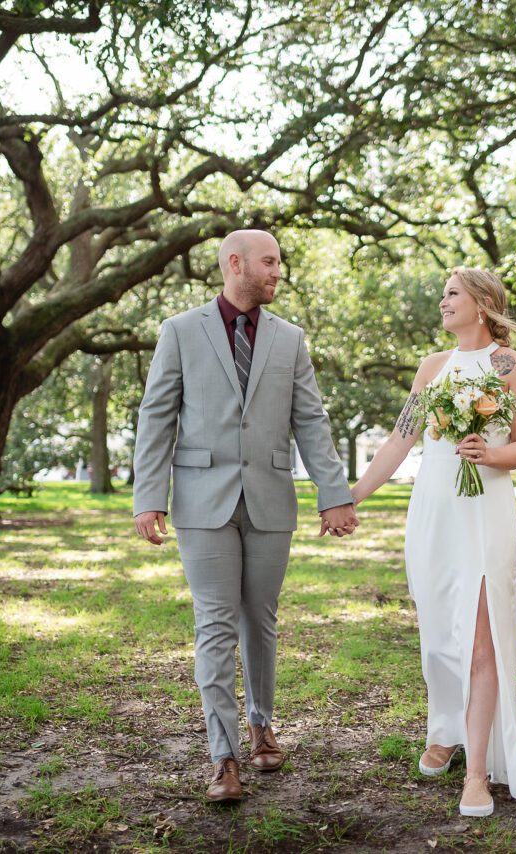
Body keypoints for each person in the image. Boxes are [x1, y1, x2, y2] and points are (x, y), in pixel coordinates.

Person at [132, 229, 359, 803]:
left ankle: (261, 724)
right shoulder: (181, 332)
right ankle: (223, 755)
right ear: (235, 264)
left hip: (269, 498)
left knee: (259, 620)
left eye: (279, 263)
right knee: (214, 622)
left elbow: (311, 420)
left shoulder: (291, 339)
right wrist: (148, 496)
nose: (277, 272)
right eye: (269, 262)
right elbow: (157, 417)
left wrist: (334, 493)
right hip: (202, 502)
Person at [351, 267, 516, 817]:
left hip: (483, 511)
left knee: (482, 641)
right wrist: (351, 496)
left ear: (481, 303)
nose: (443, 301)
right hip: (433, 509)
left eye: (452, 294)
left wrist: (491, 453)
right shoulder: (431, 368)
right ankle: (445, 730)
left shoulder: (513, 366)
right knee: (437, 637)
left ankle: (477, 773)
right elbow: (400, 438)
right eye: (443, 294)